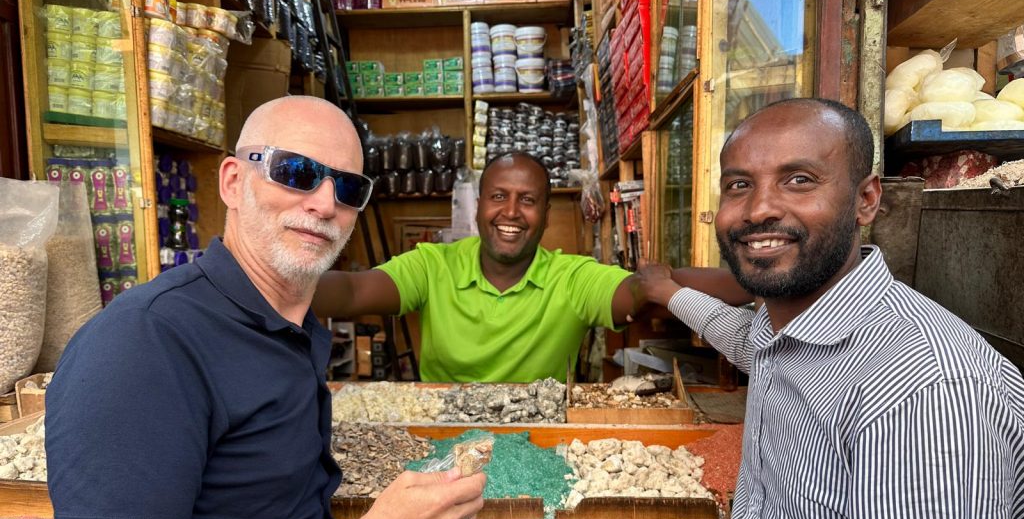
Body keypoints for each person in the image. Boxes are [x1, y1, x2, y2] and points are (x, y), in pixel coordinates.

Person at [40, 96, 486, 519]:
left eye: (348, 188)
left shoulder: (291, 333)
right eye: (295, 172)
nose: (324, 203)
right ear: (232, 180)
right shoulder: (146, 341)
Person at [638, 98, 1024, 519]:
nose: (759, 209)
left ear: (866, 200)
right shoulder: (787, 333)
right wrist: (668, 292)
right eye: (739, 185)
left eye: (799, 180)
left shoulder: (919, 389)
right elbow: (742, 337)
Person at [313, 151, 750, 382]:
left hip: (539, 441)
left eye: (527, 200)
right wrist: (276, 281)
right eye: (498, 197)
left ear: (545, 213)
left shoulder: (571, 278)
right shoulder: (432, 265)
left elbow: (642, 289)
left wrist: (766, 284)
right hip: (444, 440)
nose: (511, 212)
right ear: (478, 205)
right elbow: (352, 292)